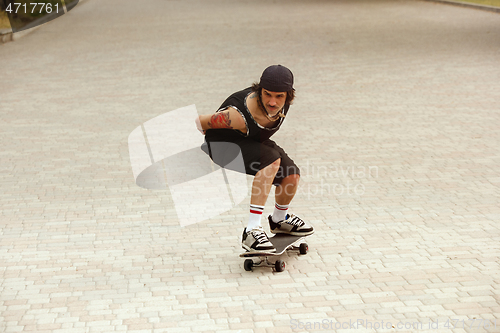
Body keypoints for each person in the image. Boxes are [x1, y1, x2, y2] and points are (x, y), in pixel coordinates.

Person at [195, 65, 314, 253]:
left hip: (250, 140)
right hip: (222, 146)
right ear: (259, 91)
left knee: (291, 174)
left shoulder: (284, 104)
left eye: (279, 96)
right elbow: (200, 122)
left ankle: (279, 220)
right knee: (271, 161)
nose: (273, 102)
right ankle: (252, 230)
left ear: (288, 95)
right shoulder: (236, 116)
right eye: (267, 94)